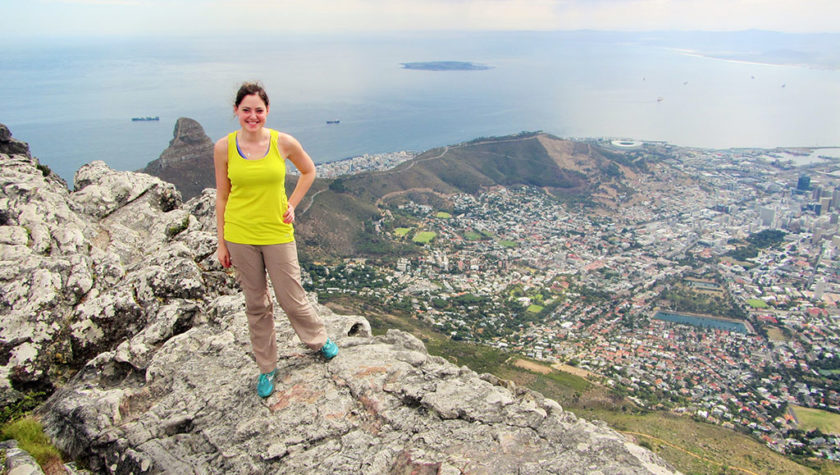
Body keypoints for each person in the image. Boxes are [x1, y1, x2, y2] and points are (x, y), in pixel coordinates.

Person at [214, 82, 338, 398]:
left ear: (267, 111)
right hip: (240, 234)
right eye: (246, 110)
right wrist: (222, 242)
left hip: (276, 232)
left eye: (259, 110)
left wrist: (292, 204)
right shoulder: (223, 147)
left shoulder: (283, 142)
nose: (252, 116)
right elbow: (222, 197)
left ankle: (317, 339)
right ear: (236, 112)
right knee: (256, 304)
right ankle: (267, 368)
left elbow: (309, 172)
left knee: (290, 294)